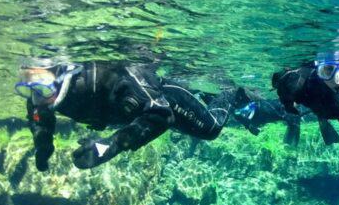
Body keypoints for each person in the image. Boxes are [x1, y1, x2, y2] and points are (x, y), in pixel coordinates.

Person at [17, 58, 230, 171]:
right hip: (132, 116)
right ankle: (204, 94)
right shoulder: (43, 96)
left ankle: (231, 94)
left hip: (166, 101)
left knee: (211, 130)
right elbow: (39, 117)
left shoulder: (105, 79)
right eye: (27, 90)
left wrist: (109, 146)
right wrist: (43, 146)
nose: (37, 98)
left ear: (61, 72)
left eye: (41, 88)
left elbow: (161, 115)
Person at [205, 88, 302, 145]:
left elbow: (236, 113)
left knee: (293, 123)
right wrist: (249, 125)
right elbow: (237, 112)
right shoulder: (280, 108)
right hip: (257, 112)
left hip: (257, 113)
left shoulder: (284, 110)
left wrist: (249, 125)